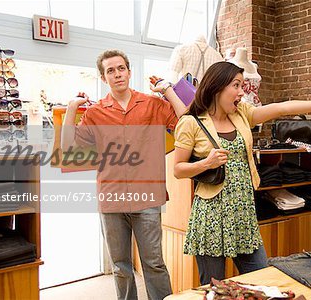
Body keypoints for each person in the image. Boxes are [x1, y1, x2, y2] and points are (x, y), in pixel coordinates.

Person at [171, 61, 311, 285]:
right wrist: (206, 163)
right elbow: (178, 169)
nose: (241, 92)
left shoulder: (242, 114)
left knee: (262, 279)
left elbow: (283, 108)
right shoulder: (190, 122)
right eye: (236, 85)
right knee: (214, 287)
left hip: (243, 212)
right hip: (211, 217)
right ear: (217, 86)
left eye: (242, 85)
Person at [61, 49, 186, 300]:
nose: (117, 74)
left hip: (148, 198)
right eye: (110, 70)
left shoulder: (152, 104)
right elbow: (68, 149)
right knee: (120, 267)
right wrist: (72, 108)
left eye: (121, 68)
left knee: (154, 264)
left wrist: (168, 91)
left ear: (129, 71)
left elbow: (186, 123)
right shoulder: (95, 112)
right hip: (111, 199)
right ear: (103, 77)